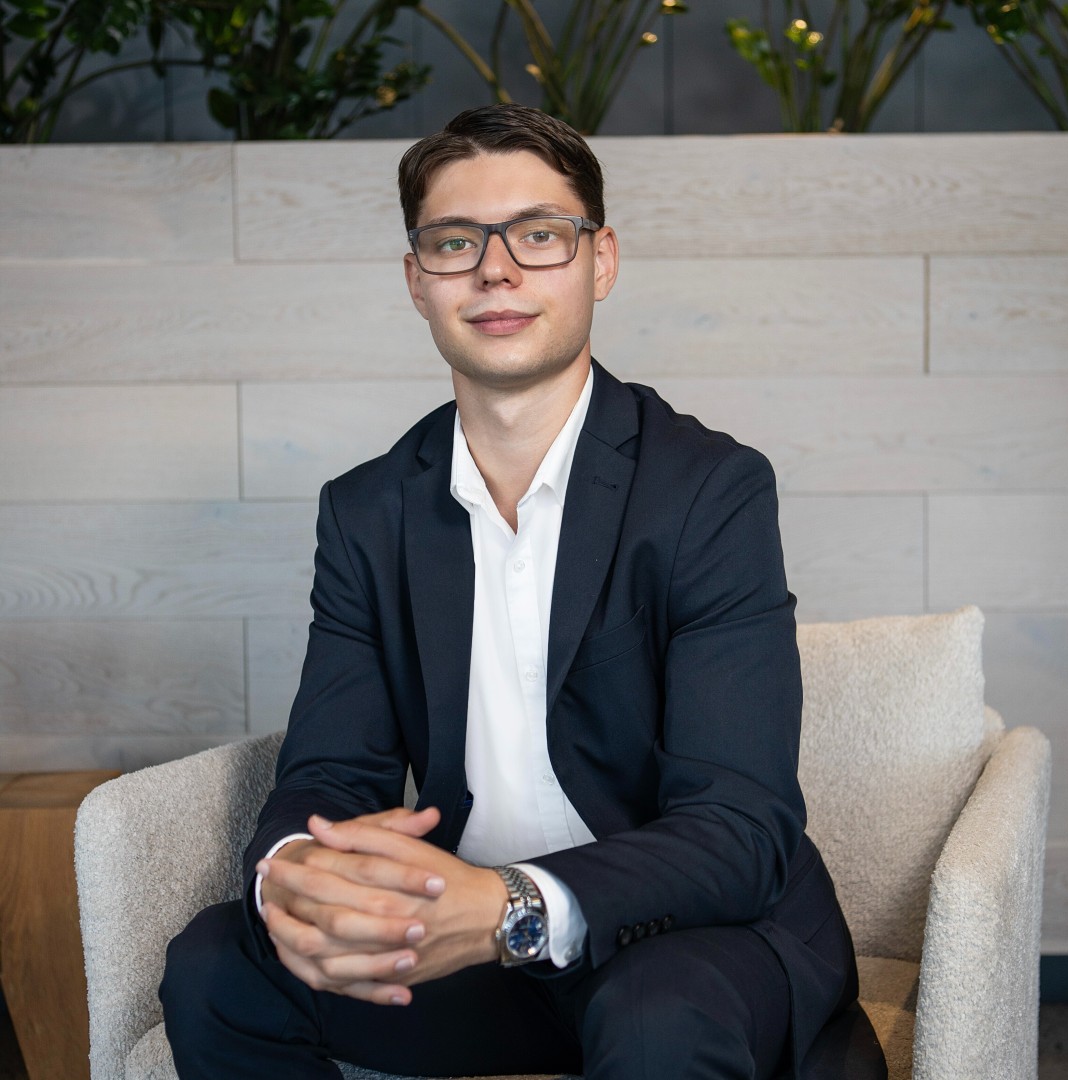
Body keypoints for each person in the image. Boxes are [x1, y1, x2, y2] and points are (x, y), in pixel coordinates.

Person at [160, 102, 867, 1080]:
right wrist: (299, 873)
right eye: (456, 242)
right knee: (218, 967)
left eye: (538, 234)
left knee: (654, 1019)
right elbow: (330, 776)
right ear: (417, 280)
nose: (495, 270)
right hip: (470, 948)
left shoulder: (709, 489)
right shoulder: (368, 512)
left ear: (600, 260)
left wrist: (509, 905)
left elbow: (740, 828)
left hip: (687, 939)